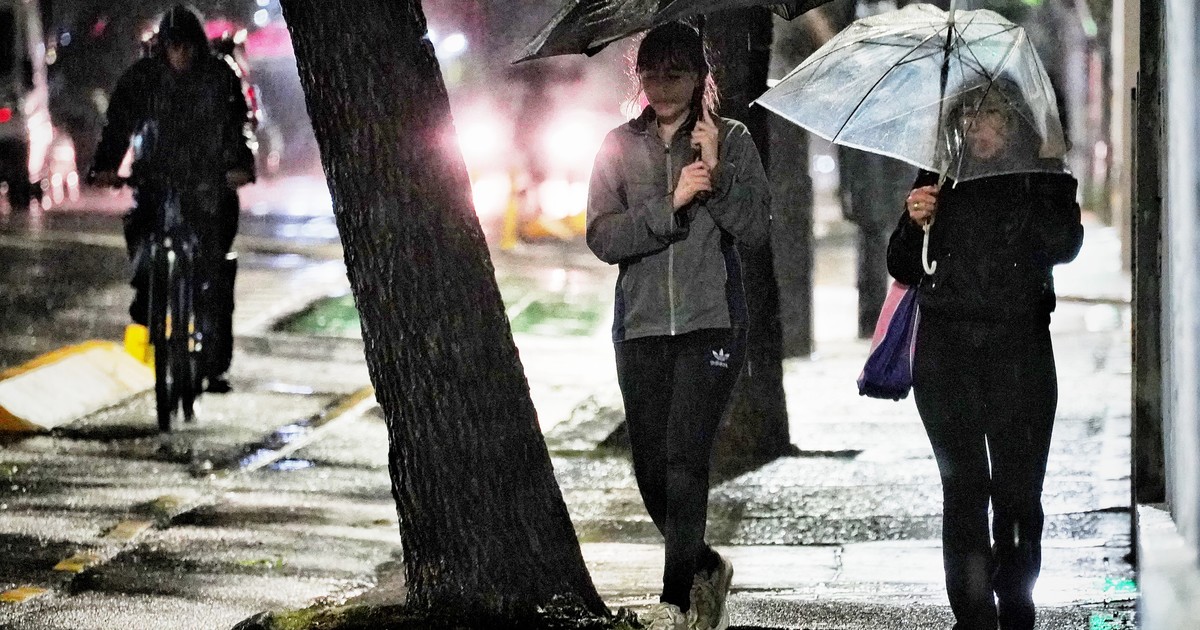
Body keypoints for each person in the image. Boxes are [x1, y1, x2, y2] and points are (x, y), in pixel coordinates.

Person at [586, 21, 770, 630]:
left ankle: (676, 601)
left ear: (699, 78)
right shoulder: (617, 146)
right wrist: (671, 206)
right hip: (640, 327)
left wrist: (713, 179)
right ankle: (705, 565)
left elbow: (755, 229)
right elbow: (602, 236)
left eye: (677, 72)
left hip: (711, 324)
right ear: (638, 76)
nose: (663, 85)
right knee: (650, 467)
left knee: (687, 461)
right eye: (652, 72)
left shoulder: (732, 139)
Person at [886, 83, 1084, 630]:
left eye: (991, 112)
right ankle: (973, 614)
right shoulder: (940, 177)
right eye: (967, 113)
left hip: (1019, 353)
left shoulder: (1042, 176)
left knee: (1019, 493)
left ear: (1015, 120)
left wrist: (1044, 179)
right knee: (964, 490)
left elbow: (1064, 244)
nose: (977, 124)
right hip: (946, 356)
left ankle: (1016, 600)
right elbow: (903, 265)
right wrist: (914, 220)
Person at [90, 5, 256, 394]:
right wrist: (106, 167)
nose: (180, 54)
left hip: (207, 183)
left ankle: (214, 364)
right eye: (173, 46)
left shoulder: (220, 76)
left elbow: (238, 127)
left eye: (187, 47)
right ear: (163, 47)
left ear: (198, 46)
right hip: (155, 179)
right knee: (142, 237)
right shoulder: (142, 77)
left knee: (215, 271)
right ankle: (147, 302)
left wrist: (239, 166)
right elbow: (118, 125)